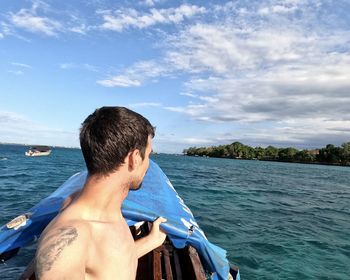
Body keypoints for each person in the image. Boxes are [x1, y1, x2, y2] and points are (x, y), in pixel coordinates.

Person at [35, 106, 167, 279]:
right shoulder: (70, 241)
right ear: (134, 158)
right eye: (148, 155)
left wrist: (151, 241)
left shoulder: (95, 205)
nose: (148, 164)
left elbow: (111, 264)